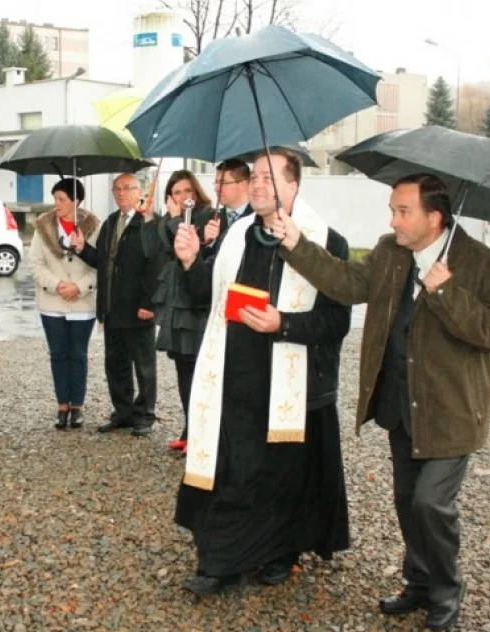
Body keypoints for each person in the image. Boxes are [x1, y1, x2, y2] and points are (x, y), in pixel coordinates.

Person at [271, 173, 490, 630]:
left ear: (435, 217)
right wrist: (297, 244)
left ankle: (447, 588)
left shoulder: (480, 263)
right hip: (400, 406)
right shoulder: (390, 251)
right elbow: (347, 282)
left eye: (403, 212)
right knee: (407, 501)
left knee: (430, 503)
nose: (393, 221)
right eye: (393, 210)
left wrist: (446, 290)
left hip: (451, 411)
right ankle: (419, 582)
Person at [172, 148, 351, 596]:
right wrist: (192, 262)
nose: (257, 184)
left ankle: (278, 552)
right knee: (233, 473)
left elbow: (336, 322)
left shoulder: (326, 241)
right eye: (254, 177)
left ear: (294, 185)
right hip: (234, 379)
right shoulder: (238, 235)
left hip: (289, 385)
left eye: (269, 178)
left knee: (280, 477)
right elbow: (208, 298)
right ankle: (223, 563)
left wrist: (282, 323)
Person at [72, 173, 158, 437]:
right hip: (112, 306)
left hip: (139, 308)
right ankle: (123, 412)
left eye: (127, 188)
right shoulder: (110, 222)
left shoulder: (148, 222)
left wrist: (149, 302)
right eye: (116, 189)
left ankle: (145, 414)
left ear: (139, 191)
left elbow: (156, 265)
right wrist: (82, 248)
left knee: (144, 365)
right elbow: (103, 261)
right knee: (116, 363)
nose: (121, 193)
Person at [142, 170, 215, 453]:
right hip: (175, 301)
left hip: (196, 301)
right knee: (182, 367)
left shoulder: (206, 216)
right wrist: (149, 218)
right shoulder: (169, 219)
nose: (183, 197)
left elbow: (190, 245)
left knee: (197, 368)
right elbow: (151, 249)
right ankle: (189, 428)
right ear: (169, 197)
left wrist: (174, 219)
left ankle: (201, 432)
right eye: (177, 192)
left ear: (196, 192)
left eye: (187, 191)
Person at [29, 178, 100, 430]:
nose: (57, 204)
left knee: (78, 354)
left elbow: (100, 264)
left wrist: (78, 287)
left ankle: (77, 405)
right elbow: (35, 263)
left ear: (76, 201)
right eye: (55, 198)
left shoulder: (93, 226)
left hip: (82, 304)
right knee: (58, 354)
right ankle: (62, 405)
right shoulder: (43, 226)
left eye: (62, 199)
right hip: (52, 303)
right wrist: (57, 285)